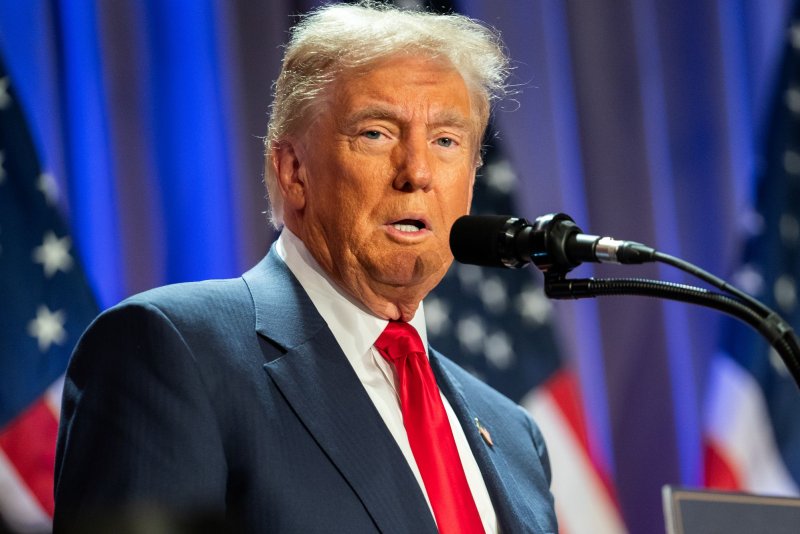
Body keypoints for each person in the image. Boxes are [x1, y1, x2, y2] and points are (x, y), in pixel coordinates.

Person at [53, 3, 558, 533]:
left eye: (446, 141)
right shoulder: (172, 353)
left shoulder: (514, 436)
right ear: (293, 171)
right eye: (377, 133)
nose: (417, 171)